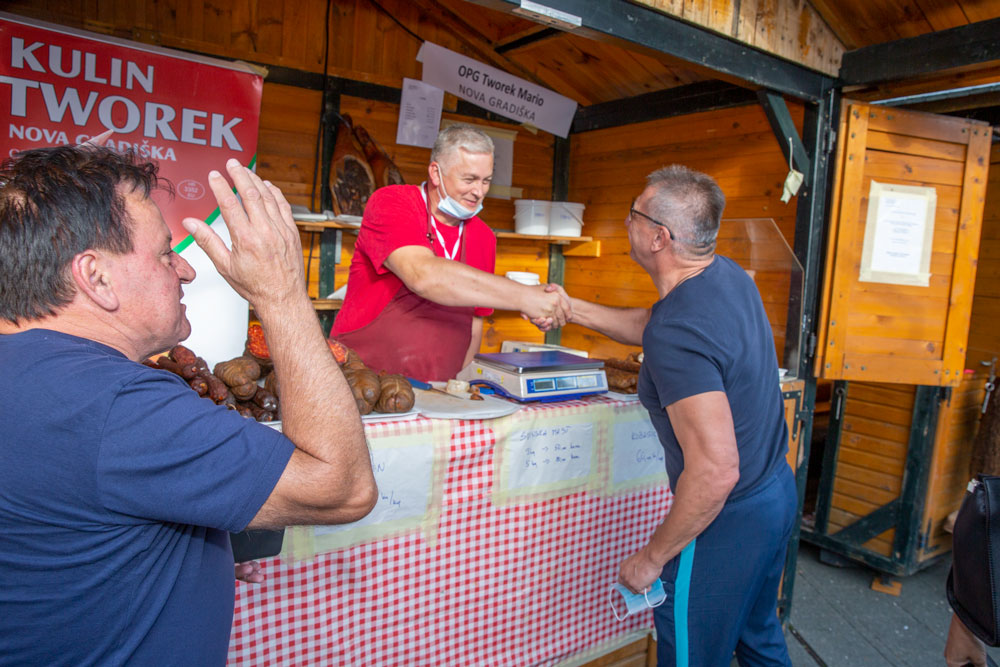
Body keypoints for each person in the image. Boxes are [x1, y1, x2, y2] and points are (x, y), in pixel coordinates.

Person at [0, 145, 377, 665]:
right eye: (164, 253)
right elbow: (344, 489)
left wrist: (183, 556)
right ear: (96, 277)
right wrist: (281, 293)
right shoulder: (118, 404)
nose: (185, 270)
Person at [543, 165, 796, 665]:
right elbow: (654, 323)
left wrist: (651, 558)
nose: (626, 221)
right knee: (759, 640)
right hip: (775, 493)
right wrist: (572, 309)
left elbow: (716, 470)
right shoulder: (725, 276)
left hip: (726, 522)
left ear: (660, 237)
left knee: (691, 655)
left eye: (633, 213)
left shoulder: (677, 331)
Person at [331, 123, 571, 381]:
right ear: (436, 173)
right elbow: (422, 275)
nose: (479, 192)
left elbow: (476, 322)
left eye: (486, 181)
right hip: (362, 378)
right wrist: (526, 297)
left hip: (439, 386)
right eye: (469, 179)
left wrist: (458, 384)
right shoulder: (393, 202)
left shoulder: (483, 236)